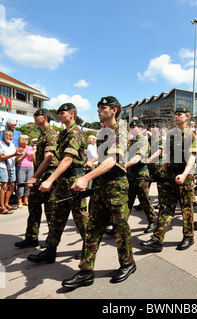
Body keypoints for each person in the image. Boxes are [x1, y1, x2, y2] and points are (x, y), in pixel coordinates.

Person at [63, 96, 135, 289]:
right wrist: (92, 166)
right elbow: (103, 159)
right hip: (101, 185)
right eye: (98, 108)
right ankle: (86, 272)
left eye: (103, 107)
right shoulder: (103, 132)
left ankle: (128, 264)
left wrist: (85, 178)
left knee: (120, 228)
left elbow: (113, 160)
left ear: (114, 110)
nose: (98, 111)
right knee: (93, 229)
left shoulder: (121, 130)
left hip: (116, 186)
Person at [27, 103, 88, 263]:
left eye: (63, 112)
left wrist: (49, 179)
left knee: (81, 218)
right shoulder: (62, 134)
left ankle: (89, 248)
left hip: (74, 180)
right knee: (57, 218)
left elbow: (68, 159)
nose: (60, 115)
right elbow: (55, 157)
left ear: (72, 114)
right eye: (59, 112)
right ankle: (50, 251)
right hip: (62, 181)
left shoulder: (76, 133)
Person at [140, 106, 197, 252]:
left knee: (186, 208)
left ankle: (188, 237)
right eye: (176, 114)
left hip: (184, 175)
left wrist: (185, 174)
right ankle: (157, 240)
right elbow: (167, 155)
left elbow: (193, 156)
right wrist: (165, 171)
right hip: (170, 175)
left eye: (180, 114)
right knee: (165, 208)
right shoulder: (171, 134)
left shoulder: (191, 134)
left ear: (188, 116)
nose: (176, 116)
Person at [14, 108, 60, 249]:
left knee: (50, 210)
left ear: (45, 117)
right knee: (33, 207)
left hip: (47, 176)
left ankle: (51, 242)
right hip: (40, 175)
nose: (34, 117)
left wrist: (34, 177)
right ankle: (31, 237)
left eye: (37, 115)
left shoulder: (51, 134)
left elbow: (49, 158)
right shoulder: (42, 135)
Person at [125, 119, 157, 233]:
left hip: (140, 174)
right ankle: (120, 226)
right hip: (130, 174)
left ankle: (153, 221)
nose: (131, 129)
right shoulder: (131, 141)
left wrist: (125, 165)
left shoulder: (142, 140)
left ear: (140, 127)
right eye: (130, 127)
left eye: (134, 127)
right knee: (127, 201)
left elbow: (138, 157)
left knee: (144, 200)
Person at [0, 130, 23, 214]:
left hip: (12, 166)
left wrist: (18, 155)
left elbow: (14, 156)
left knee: (12, 186)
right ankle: (2, 206)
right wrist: (14, 154)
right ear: (4, 136)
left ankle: (6, 203)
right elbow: (1, 157)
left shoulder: (12, 145)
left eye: (11, 136)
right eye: (8, 136)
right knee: (4, 186)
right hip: (4, 166)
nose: (10, 138)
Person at [15, 135, 35, 208]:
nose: (27, 140)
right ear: (21, 140)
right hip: (21, 167)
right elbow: (17, 161)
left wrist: (33, 155)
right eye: (26, 139)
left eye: (28, 139)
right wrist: (23, 156)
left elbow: (32, 159)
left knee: (29, 184)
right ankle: (19, 201)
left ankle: (26, 200)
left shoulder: (30, 148)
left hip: (30, 167)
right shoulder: (17, 148)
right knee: (21, 184)